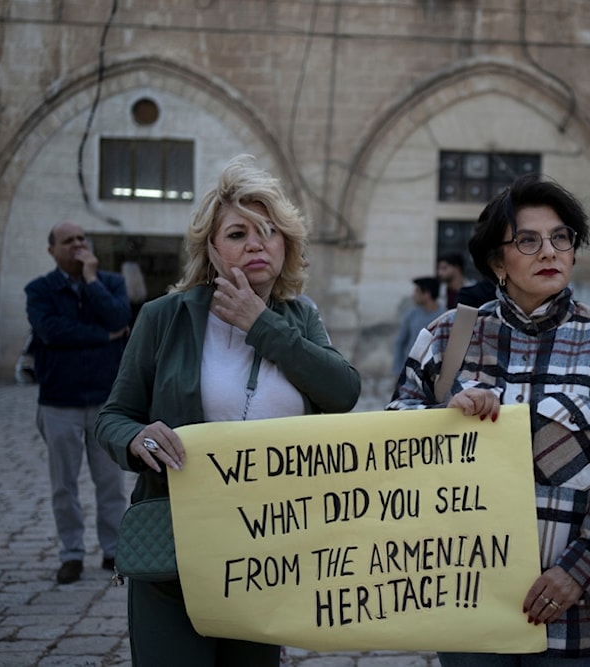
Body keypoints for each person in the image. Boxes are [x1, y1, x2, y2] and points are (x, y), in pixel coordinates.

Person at [95, 155, 361, 667]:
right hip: (178, 545)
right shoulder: (163, 318)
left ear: (287, 245)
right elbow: (114, 417)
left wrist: (260, 323)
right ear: (213, 250)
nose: (257, 243)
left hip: (270, 550)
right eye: (238, 233)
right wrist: (136, 438)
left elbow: (342, 391)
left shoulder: (300, 317)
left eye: (270, 231)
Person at [388, 173, 590, 666]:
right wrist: (443, 420)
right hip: (465, 599)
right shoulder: (445, 337)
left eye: (561, 239)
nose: (550, 252)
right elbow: (393, 442)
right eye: (528, 241)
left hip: (573, 615)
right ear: (497, 261)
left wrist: (579, 571)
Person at [25, 222, 131, 584]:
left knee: (111, 483)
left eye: (82, 239)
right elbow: (51, 332)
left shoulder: (110, 283)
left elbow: (120, 317)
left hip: (105, 402)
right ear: (52, 250)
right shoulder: (40, 290)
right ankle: (71, 554)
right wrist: (104, 336)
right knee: (63, 486)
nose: (78, 245)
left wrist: (91, 280)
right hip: (59, 401)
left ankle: (114, 550)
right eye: (69, 241)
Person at [392, 276, 443, 376]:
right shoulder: (411, 315)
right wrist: (397, 370)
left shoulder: (444, 317)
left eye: (417, 291)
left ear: (427, 294)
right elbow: (400, 342)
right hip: (410, 372)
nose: (413, 295)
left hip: (433, 374)